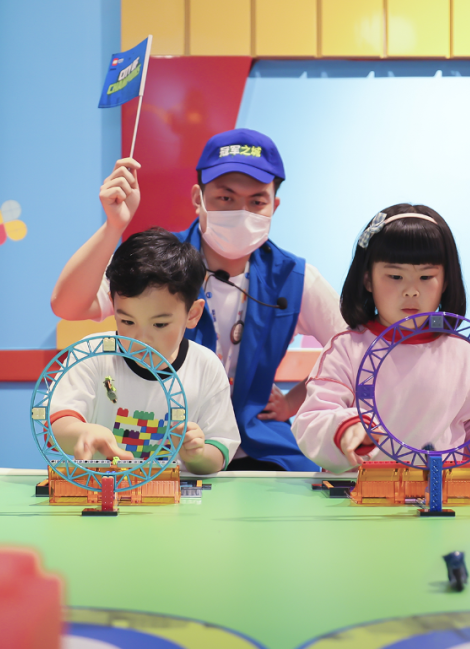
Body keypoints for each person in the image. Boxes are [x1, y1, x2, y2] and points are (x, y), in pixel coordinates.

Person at [51, 128, 346, 471]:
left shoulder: (295, 278)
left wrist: (293, 402)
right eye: (226, 198)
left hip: (261, 446)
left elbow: (352, 350)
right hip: (165, 444)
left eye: (257, 201)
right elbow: (68, 305)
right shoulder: (162, 265)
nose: (241, 212)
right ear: (198, 197)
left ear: (274, 205)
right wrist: (113, 226)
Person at [291, 203, 470, 483]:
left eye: (426, 277)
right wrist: (345, 429)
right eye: (395, 276)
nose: (411, 290)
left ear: (445, 282)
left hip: (442, 495)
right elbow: (313, 420)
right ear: (367, 279)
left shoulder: (462, 352)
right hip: (358, 495)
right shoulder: (346, 349)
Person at [49, 229, 240, 475]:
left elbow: (218, 453)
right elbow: (57, 424)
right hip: (101, 490)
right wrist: (81, 432)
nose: (141, 339)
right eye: (127, 321)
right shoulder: (91, 354)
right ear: (113, 304)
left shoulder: (205, 366)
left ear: (192, 314)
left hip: (173, 495)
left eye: (159, 324)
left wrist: (197, 454)